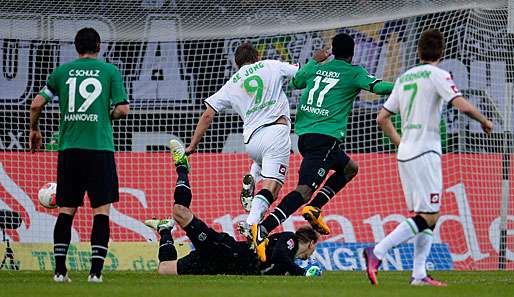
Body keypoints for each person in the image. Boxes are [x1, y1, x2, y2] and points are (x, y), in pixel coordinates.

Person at [363, 28, 493, 287]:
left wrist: (401, 143)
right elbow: (461, 104)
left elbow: (382, 118)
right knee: (430, 215)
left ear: (419, 51)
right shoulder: (438, 75)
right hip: (425, 152)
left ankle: (419, 274)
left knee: (427, 213)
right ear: (441, 52)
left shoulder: (404, 78)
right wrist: (485, 121)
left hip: (406, 153)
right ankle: (377, 251)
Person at [251, 33, 394, 261]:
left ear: (333, 51)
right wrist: (404, 86)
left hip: (305, 137)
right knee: (304, 191)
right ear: (352, 53)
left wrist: (314, 61)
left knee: (349, 168)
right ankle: (264, 228)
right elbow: (378, 87)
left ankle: (315, 208)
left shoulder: (317, 67)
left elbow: (296, 81)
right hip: (324, 137)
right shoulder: (354, 72)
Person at [29, 27, 130, 282]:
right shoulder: (110, 71)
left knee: (66, 211)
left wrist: (34, 130)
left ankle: (60, 271)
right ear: (98, 46)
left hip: (70, 150)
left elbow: (36, 103)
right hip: (99, 149)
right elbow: (123, 109)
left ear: (76, 47)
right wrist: (107, 116)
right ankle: (95, 273)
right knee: (101, 212)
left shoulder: (62, 72)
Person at [145, 140, 321, 276]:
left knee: (164, 269)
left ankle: (165, 229)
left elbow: (276, 266)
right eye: (313, 249)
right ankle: (182, 166)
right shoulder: (290, 240)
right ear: (311, 243)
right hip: (223, 250)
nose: (310, 256)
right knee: (180, 211)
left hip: (216, 266)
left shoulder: (286, 265)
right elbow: (280, 257)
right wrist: (303, 272)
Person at [186, 42, 301, 228]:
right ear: (257, 58)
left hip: (252, 143)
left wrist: (192, 145)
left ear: (236, 64)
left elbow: (208, 114)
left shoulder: (232, 83)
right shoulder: (270, 65)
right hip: (275, 132)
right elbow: (300, 73)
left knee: (264, 160)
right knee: (272, 188)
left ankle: (253, 176)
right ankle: (250, 224)